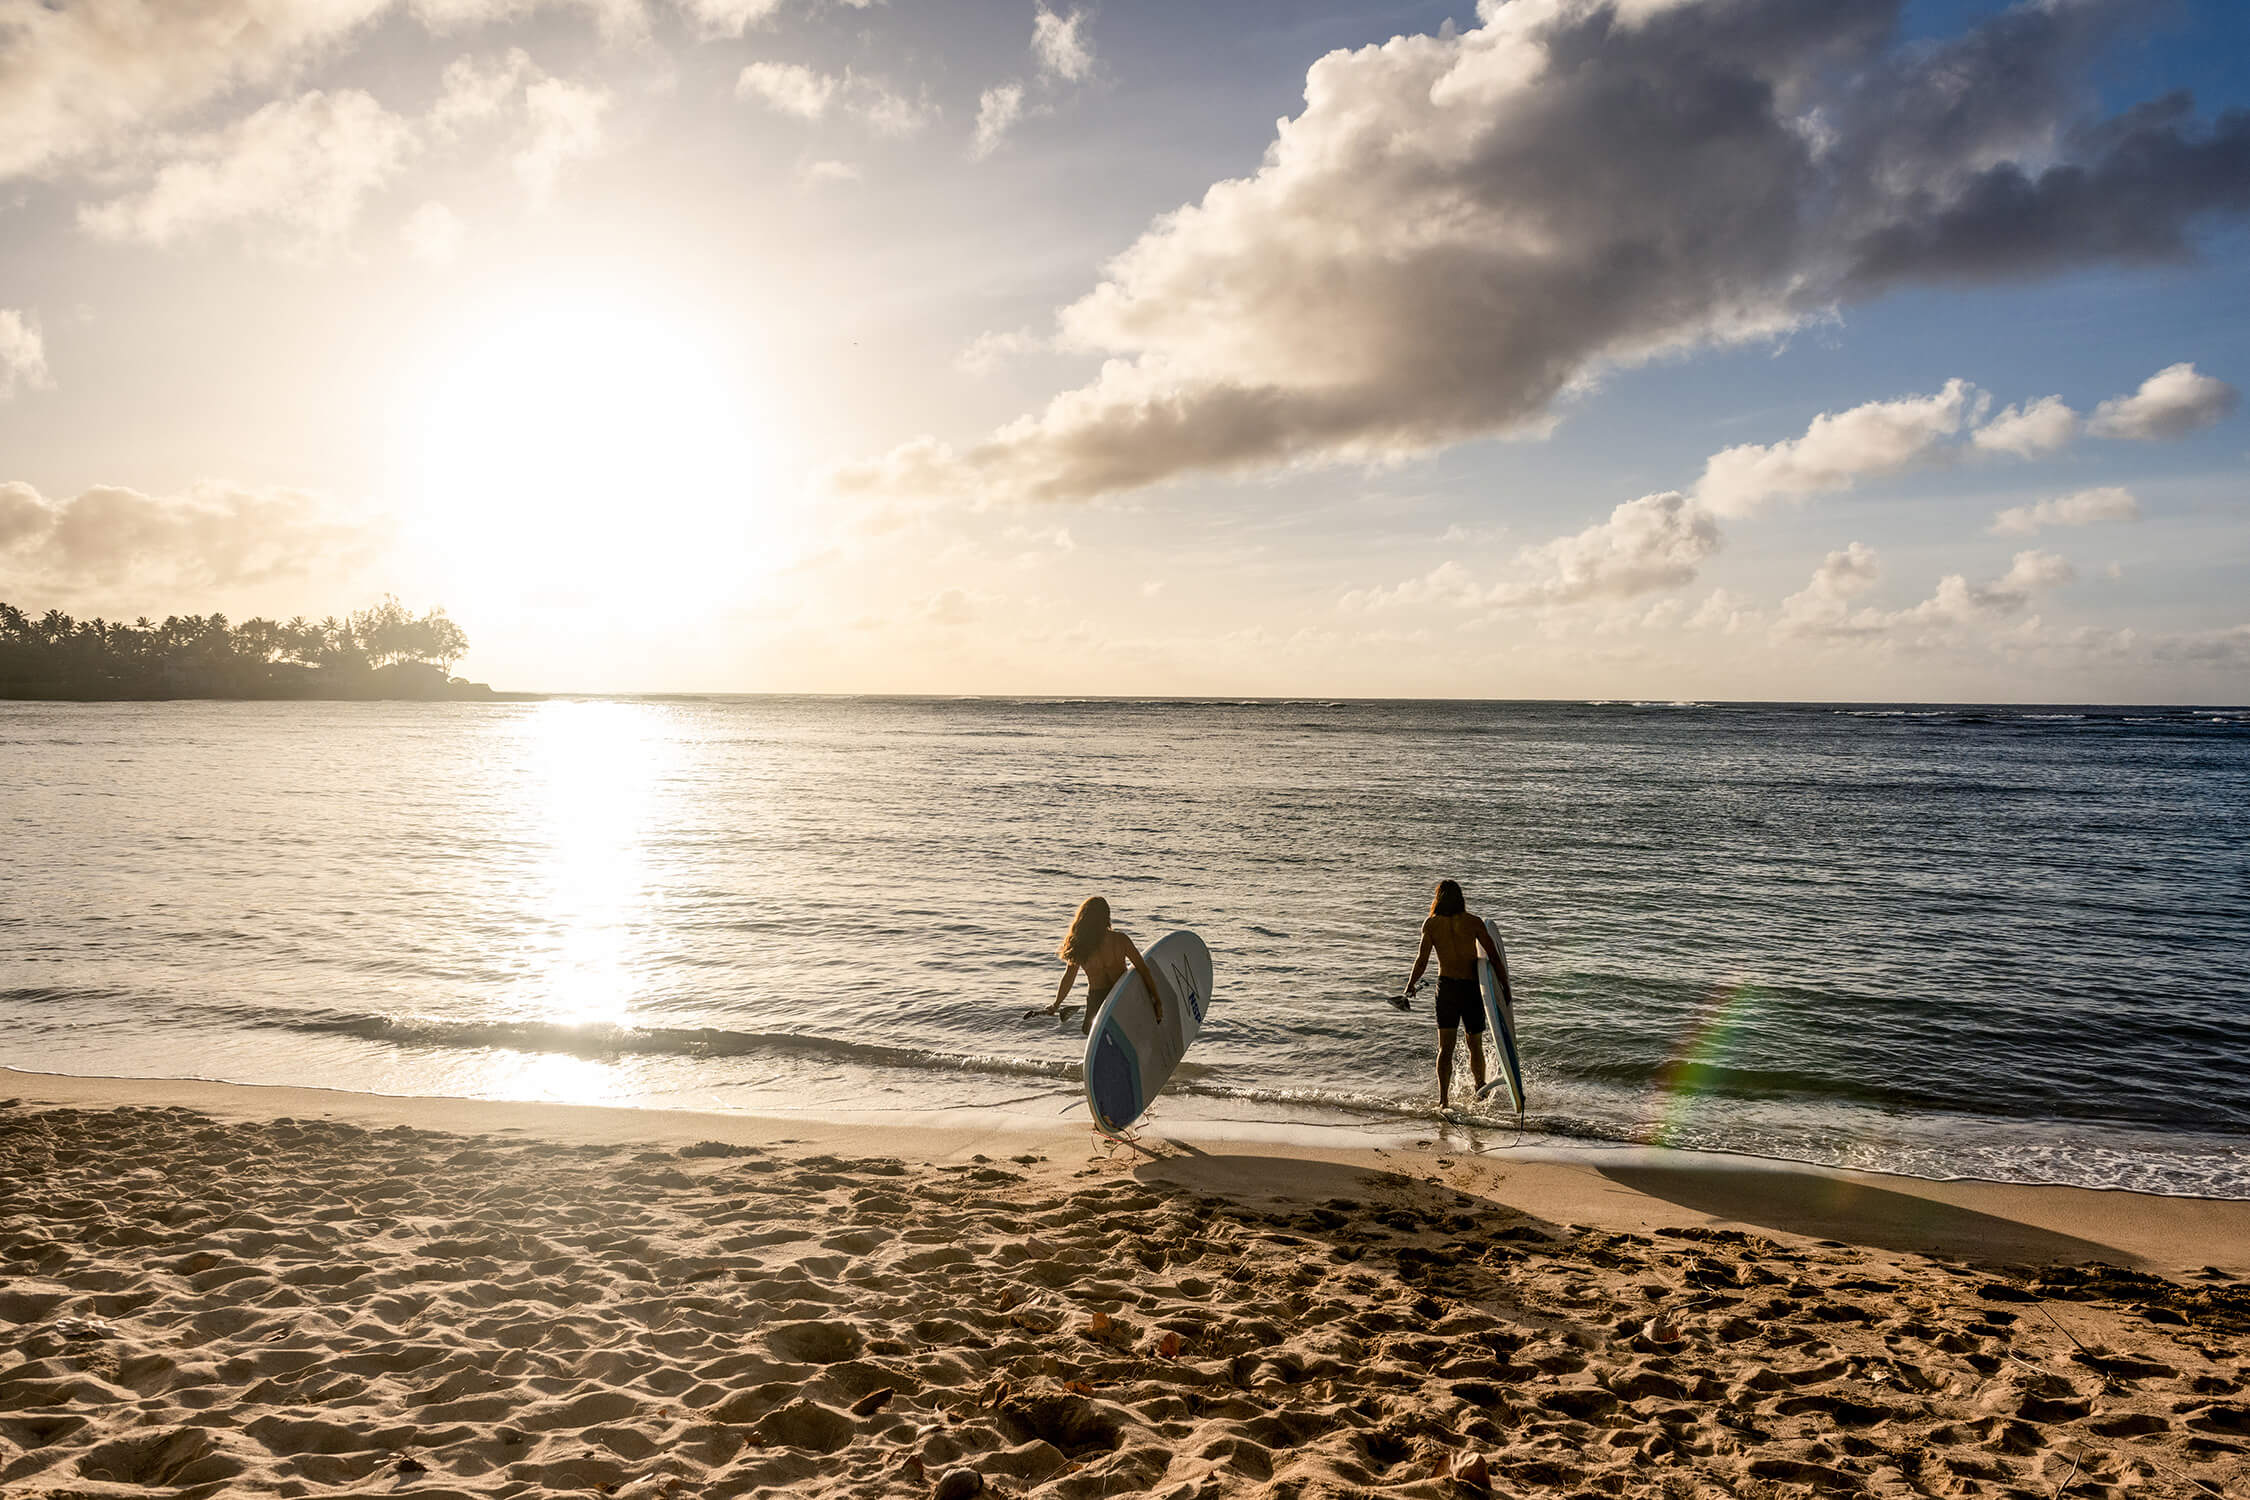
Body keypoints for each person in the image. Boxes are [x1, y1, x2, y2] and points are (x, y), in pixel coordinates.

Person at [1400, 879, 1507, 1110]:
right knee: (1474, 1044)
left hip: (1446, 988)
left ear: (1438, 898)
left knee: (1444, 1048)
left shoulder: (1431, 924)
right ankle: (1480, 1092)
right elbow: (1494, 957)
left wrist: (1410, 985)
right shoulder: (1473, 922)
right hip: (1470, 989)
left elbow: (1422, 960)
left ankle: (1443, 1100)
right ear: (1461, 898)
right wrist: (1505, 987)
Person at [1046, 896, 1164, 1036]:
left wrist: (1056, 1004)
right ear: (1107, 916)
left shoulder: (1080, 945)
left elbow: (1069, 978)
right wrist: (1156, 1000)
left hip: (1097, 999)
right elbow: (1143, 970)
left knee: (1100, 1039)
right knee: (1126, 1034)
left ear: (1083, 918)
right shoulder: (1120, 939)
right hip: (1121, 994)